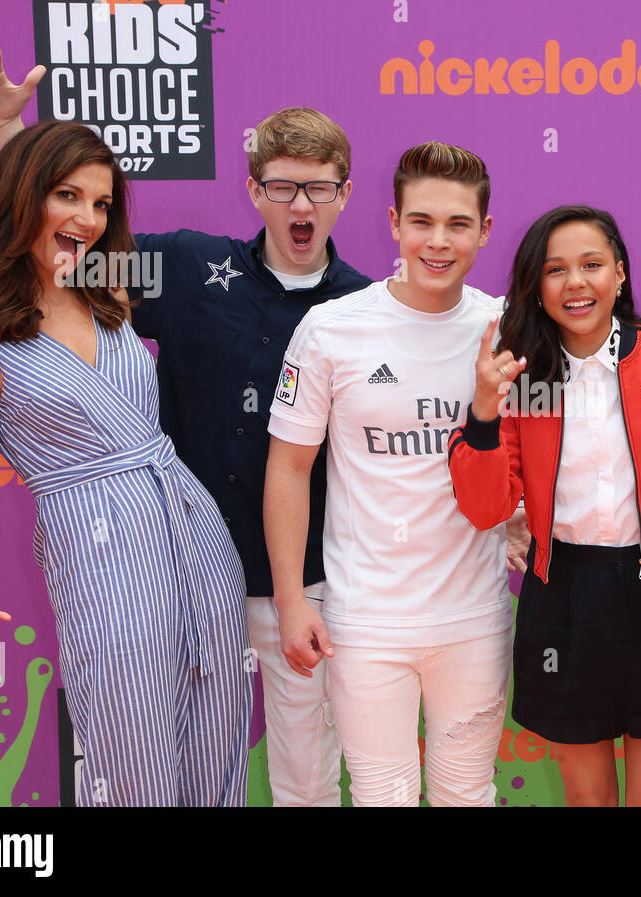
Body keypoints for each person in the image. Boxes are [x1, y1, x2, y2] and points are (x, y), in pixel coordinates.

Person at [0, 48, 374, 806]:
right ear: (254, 190)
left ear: (345, 194)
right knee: (147, 764)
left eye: (318, 187)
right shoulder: (184, 266)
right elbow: (63, 251)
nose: (300, 205)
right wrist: (11, 136)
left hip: (306, 584)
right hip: (172, 570)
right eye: (282, 186)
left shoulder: (368, 311)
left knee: (306, 780)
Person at [0, 121, 251, 806]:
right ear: (24, 197)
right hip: (96, 551)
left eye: (100, 203)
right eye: (68, 196)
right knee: (130, 759)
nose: (88, 219)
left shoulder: (110, 290)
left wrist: (23, 145)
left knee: (217, 745)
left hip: (194, 531)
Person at [264, 142, 512, 807]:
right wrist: (292, 602)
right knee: (383, 797)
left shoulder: (504, 328)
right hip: (366, 619)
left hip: (475, 617)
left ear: (485, 231)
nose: (438, 241)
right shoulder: (331, 330)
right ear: (395, 221)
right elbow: (288, 468)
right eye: (422, 221)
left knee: (467, 795)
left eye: (458, 224)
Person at [448, 206, 641, 806]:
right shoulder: (525, 378)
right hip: (563, 593)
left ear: (619, 272)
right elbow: (487, 509)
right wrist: (485, 410)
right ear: (536, 289)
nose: (576, 283)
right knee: (587, 801)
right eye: (556, 270)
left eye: (592, 265)